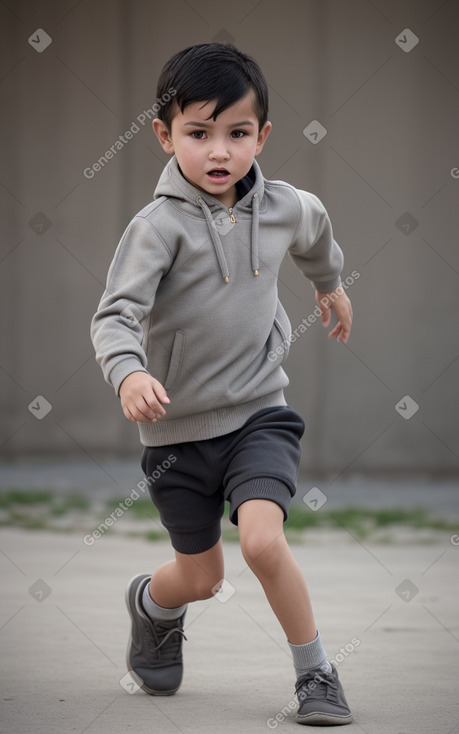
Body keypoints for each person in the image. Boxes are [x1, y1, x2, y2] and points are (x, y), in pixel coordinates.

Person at [90, 42, 354, 726]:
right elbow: (116, 315)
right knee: (203, 579)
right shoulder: (156, 228)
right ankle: (153, 604)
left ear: (261, 136)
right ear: (163, 134)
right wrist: (129, 373)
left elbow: (314, 226)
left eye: (236, 134)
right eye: (197, 132)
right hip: (177, 438)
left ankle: (316, 674)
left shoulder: (282, 207)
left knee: (263, 542)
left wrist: (328, 283)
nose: (218, 151)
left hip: (259, 414)